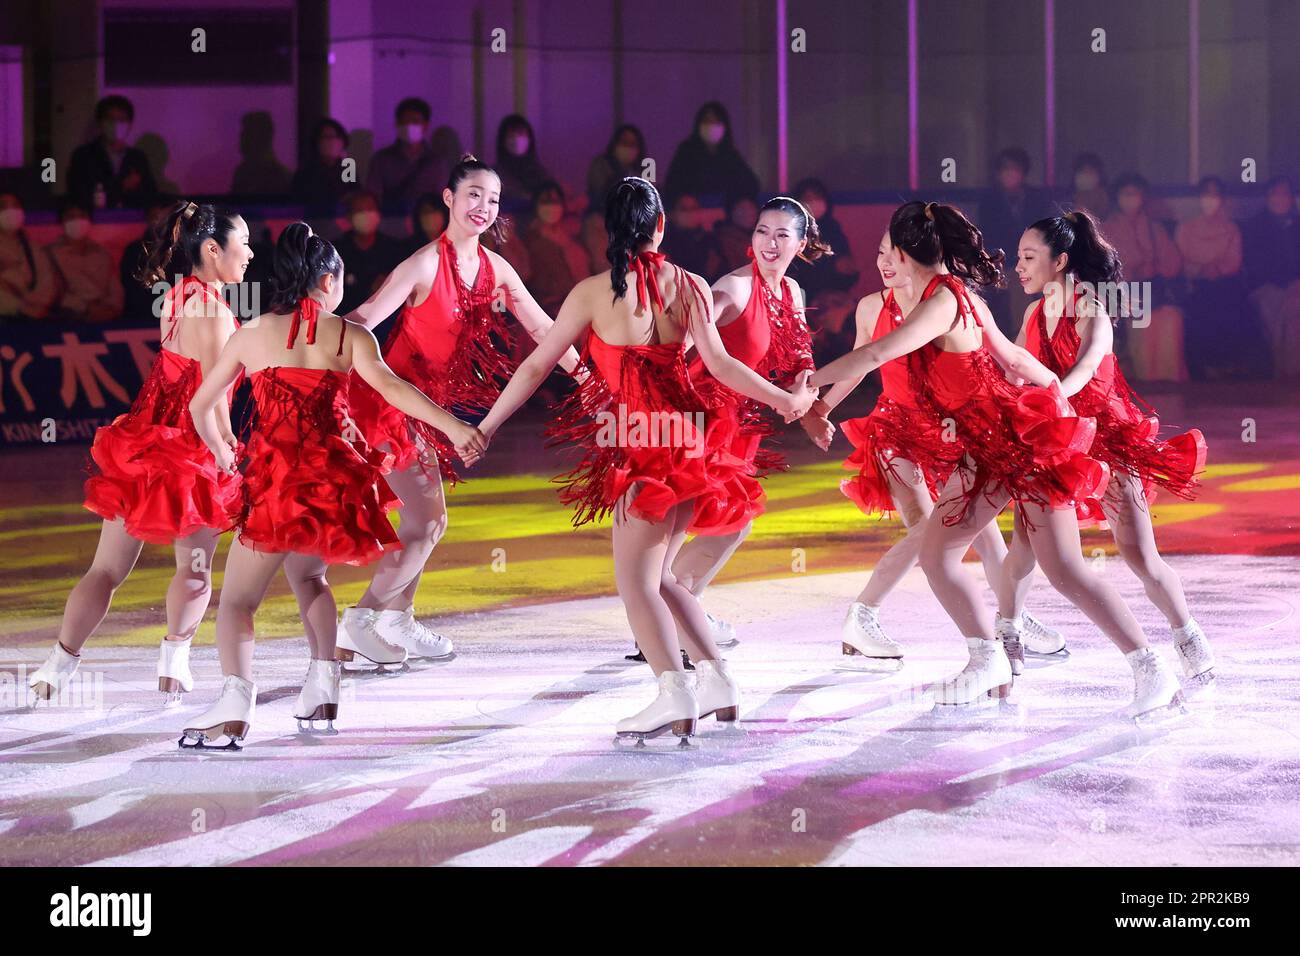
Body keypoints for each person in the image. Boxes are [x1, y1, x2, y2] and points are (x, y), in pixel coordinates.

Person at [473, 176, 816, 743]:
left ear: (608, 230)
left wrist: (485, 427)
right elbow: (724, 366)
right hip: (692, 442)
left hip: (640, 446)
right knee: (662, 579)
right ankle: (717, 679)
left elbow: (536, 367)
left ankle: (673, 692)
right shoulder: (690, 285)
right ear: (660, 226)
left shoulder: (590, 292)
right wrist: (785, 400)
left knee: (637, 584)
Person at [810, 201, 1183, 719]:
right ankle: (987, 661)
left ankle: (1151, 667)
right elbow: (1012, 355)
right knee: (938, 554)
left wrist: (806, 386)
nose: (884, 259)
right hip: (984, 451)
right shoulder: (946, 299)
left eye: (887, 248)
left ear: (902, 249)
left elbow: (875, 355)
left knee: (1065, 569)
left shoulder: (945, 301)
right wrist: (1050, 384)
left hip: (1017, 444)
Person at [181, 223, 486, 749]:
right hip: (328, 483)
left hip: (274, 484)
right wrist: (457, 428)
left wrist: (224, 451)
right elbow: (394, 389)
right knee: (309, 580)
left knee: (237, 604)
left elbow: (199, 404)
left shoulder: (251, 334)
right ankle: (323, 688)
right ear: (326, 281)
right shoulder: (350, 336)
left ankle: (234, 707)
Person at [337, 155, 584, 665]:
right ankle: (360, 619)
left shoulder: (496, 268)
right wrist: (306, 353)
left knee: (424, 524)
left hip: (431, 412)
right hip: (390, 403)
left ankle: (396, 620)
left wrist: (587, 378)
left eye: (492, 199)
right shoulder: (424, 263)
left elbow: (545, 329)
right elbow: (361, 321)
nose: (484, 207)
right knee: (427, 523)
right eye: (473, 194)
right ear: (448, 198)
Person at [27, 201, 250, 705]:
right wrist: (223, 451)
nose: (251, 254)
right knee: (193, 568)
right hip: (189, 450)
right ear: (213, 250)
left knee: (105, 570)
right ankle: (173, 665)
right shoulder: (214, 309)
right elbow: (206, 399)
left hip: (146, 445)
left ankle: (58, 664)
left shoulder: (176, 296)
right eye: (245, 244)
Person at [817, 230, 1064, 666]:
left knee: (982, 538)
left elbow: (1008, 354)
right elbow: (861, 360)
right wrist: (819, 407)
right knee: (927, 529)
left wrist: (1054, 389)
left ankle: (1013, 618)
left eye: (897, 255)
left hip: (952, 435)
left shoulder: (953, 302)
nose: (886, 264)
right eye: (880, 253)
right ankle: (863, 613)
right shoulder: (872, 306)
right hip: (898, 432)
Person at [1008, 211, 1213, 684]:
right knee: (1025, 542)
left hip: (1108, 441)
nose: (1018, 267)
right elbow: (1013, 367)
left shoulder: (1091, 308)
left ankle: (1186, 634)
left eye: (1028, 257)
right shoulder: (1033, 313)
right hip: (1059, 441)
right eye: (1019, 256)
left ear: (1059, 261)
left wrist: (1056, 394)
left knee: (1140, 555)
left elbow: (1086, 365)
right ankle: (1007, 634)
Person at [1103, 173, 1184, 380]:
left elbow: (1172, 263)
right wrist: (1127, 271)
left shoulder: (1153, 227)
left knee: (1170, 319)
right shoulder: (1107, 228)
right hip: (1120, 292)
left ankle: (1168, 380)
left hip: (1151, 289)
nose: (1131, 198)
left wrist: (1154, 267)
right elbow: (1101, 268)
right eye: (1126, 194)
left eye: (1135, 194)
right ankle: (1146, 379)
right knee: (1140, 322)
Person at [976, 147, 1053, 339]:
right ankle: (1022, 337)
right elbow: (986, 236)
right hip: (1002, 264)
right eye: (1005, 168)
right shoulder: (989, 201)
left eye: (1015, 168)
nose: (1010, 173)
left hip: (1036, 261)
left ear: (1023, 171)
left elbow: (1046, 231)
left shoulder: (1037, 199)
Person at [788, 177, 860, 363]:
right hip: (805, 297)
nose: (813, 202)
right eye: (807, 198)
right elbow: (794, 272)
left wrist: (847, 272)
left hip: (835, 296)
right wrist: (831, 268)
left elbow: (849, 274)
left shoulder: (833, 230)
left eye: (816, 197)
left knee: (858, 317)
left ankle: (856, 375)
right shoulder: (793, 232)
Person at [1242, 176, 1300, 377]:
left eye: (1285, 194)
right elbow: (1256, 264)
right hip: (1265, 286)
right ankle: (1280, 372)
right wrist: (1284, 284)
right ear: (1267, 198)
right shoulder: (1255, 227)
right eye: (1276, 194)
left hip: (1296, 287)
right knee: (1276, 309)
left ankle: (1290, 374)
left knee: (1294, 308)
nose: (1281, 198)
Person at [68, 95, 156, 210]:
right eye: (110, 119)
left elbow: (151, 195)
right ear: (100, 123)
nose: (116, 125)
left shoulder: (137, 157)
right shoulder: (83, 155)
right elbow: (79, 195)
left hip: (131, 222)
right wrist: (121, 186)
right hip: (97, 222)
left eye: (122, 120)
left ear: (130, 124)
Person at [664, 101, 760, 204]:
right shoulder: (686, 152)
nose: (711, 126)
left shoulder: (730, 155)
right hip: (694, 213)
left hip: (723, 214)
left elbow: (752, 184)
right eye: (707, 121)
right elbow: (671, 187)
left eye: (716, 121)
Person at [44, 201, 124, 323]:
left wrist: (111, 309)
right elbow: (52, 292)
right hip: (70, 319)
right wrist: (86, 308)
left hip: (107, 317)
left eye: (82, 216)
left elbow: (115, 289)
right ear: (62, 221)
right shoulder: (49, 254)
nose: (77, 221)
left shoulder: (102, 254)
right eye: (71, 216)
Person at [365, 98, 450, 213]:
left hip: (427, 224)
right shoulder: (382, 159)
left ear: (425, 125)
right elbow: (373, 197)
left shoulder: (436, 163)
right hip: (390, 222)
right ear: (397, 124)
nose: (409, 126)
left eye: (415, 121)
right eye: (404, 122)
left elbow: (442, 199)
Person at [521, 181, 590, 317]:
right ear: (535, 206)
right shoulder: (530, 241)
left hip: (578, 305)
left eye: (555, 201)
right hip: (546, 311)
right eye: (545, 201)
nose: (551, 206)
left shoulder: (572, 238)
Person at [333, 190, 405, 316]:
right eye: (359, 210)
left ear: (378, 213)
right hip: (347, 320)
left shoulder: (393, 249)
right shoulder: (336, 252)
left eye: (370, 208)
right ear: (349, 216)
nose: (365, 214)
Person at [0, 193, 57, 321]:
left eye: (15, 206)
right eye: (3, 207)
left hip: (32, 318)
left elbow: (48, 283)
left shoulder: (34, 248)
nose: (10, 211)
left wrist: (34, 306)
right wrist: (20, 306)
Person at [119, 197, 175, 323]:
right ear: (148, 219)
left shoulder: (188, 251)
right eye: (156, 217)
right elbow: (133, 292)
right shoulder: (135, 252)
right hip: (143, 321)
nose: (161, 223)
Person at [292, 118, 354, 214]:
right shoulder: (306, 172)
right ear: (317, 141)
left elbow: (355, 193)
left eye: (336, 136)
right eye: (326, 137)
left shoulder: (347, 168)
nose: (331, 141)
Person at [586, 124, 647, 215]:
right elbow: (597, 197)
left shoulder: (643, 169)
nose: (628, 147)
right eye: (624, 142)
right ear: (615, 144)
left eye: (632, 144)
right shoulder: (601, 165)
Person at [659, 192, 721, 280]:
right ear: (672, 214)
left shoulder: (709, 240)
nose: (690, 213)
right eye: (684, 209)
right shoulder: (664, 243)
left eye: (694, 208)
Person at [230, 111, 292, 197]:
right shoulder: (242, 172)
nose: (241, 139)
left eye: (247, 134)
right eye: (243, 134)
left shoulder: (280, 177)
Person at [495, 114, 553, 204]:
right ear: (503, 141)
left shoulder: (541, 173)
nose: (516, 139)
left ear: (530, 138)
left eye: (521, 133)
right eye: (511, 135)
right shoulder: (494, 176)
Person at [713, 194, 760, 273]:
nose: (748, 213)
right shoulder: (724, 240)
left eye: (751, 207)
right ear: (731, 212)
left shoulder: (760, 237)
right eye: (742, 208)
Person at [404, 192, 449, 257]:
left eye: (434, 211)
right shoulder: (408, 251)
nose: (431, 217)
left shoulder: (456, 246)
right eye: (426, 212)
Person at [1070, 152, 1111, 220]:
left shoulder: (1104, 199)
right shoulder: (1065, 199)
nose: (1086, 176)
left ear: (1099, 176)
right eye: (1082, 171)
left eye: (1090, 172)